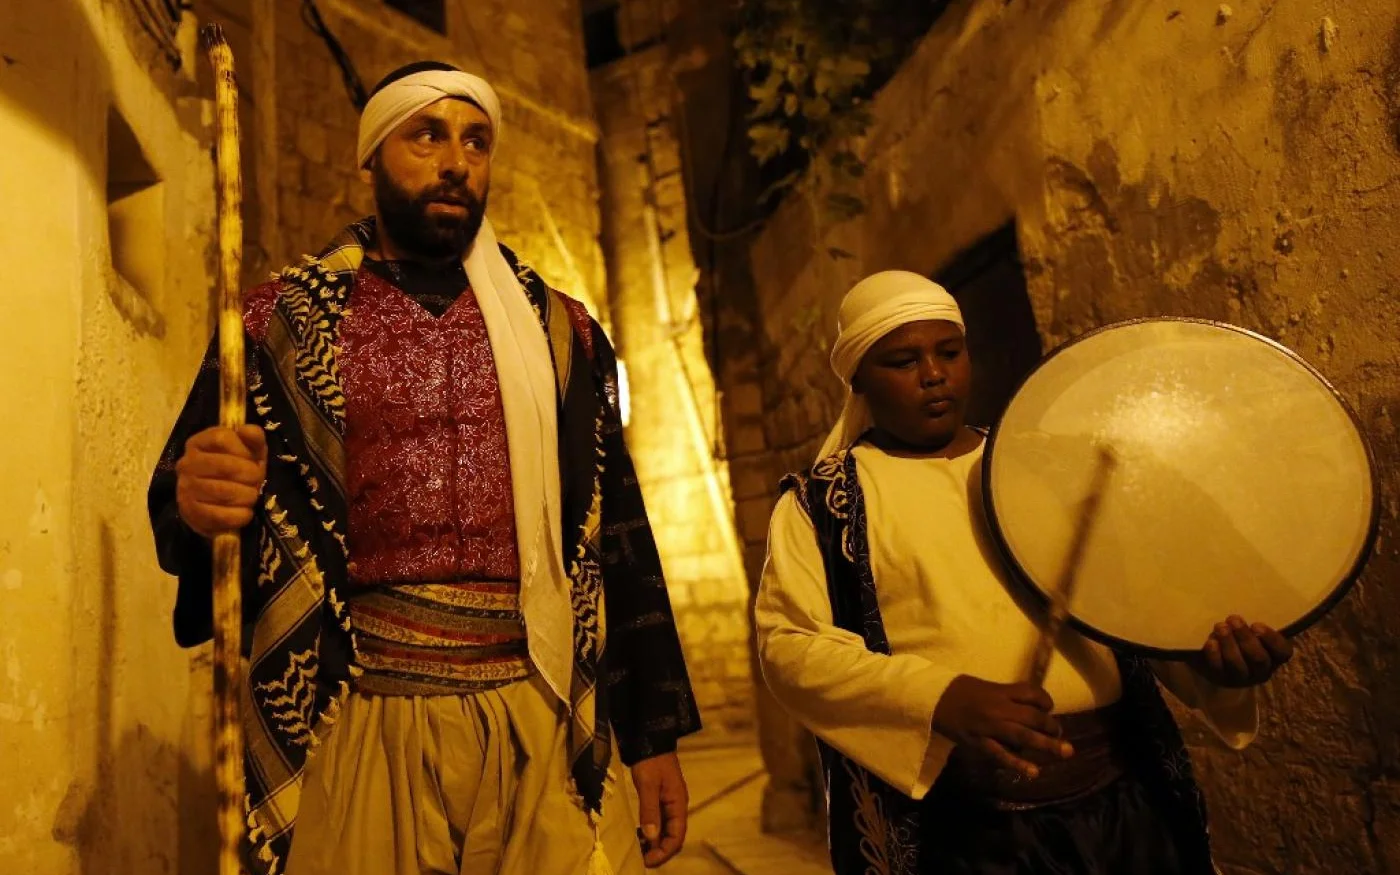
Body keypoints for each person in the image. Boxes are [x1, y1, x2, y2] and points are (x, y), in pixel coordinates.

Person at [148, 61, 699, 875]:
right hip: (357, 717)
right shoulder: (276, 327)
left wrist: (653, 735)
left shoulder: (562, 335)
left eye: (476, 140)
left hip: (536, 712)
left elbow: (618, 533)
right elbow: (185, 503)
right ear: (371, 155)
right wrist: (198, 502)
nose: (456, 161)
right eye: (428, 134)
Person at [754, 270, 1294, 875]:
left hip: (1124, 807)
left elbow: (1133, 599)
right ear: (858, 380)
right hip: (966, 832)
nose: (934, 374)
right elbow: (792, 648)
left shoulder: (1041, 468)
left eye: (949, 353)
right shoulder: (822, 505)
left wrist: (1210, 664)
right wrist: (940, 699)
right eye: (902, 361)